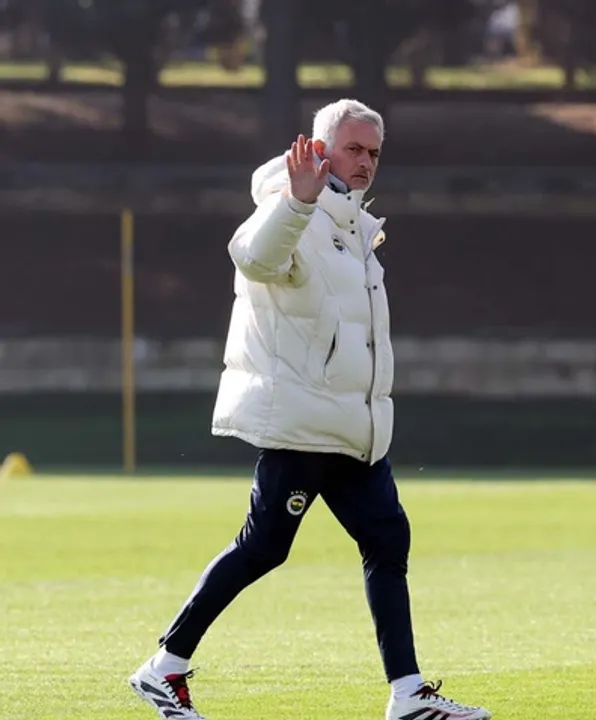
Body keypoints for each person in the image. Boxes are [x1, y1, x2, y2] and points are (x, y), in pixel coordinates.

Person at [127, 99, 492, 720]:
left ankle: (407, 693)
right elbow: (255, 257)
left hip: (350, 428)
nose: (366, 162)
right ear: (320, 150)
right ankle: (162, 669)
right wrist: (297, 202)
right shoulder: (289, 207)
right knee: (264, 546)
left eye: (374, 152)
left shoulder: (353, 223)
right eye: (354, 149)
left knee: (387, 540)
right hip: (301, 423)